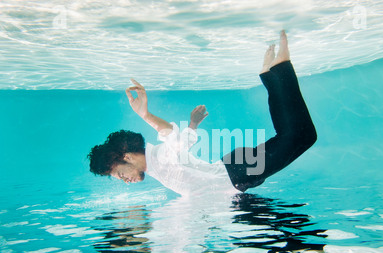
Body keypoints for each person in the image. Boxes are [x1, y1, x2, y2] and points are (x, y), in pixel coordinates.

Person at [87, 30, 317, 196]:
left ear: (126, 157)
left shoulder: (160, 160)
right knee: (293, 136)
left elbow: (172, 139)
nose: (125, 181)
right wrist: (192, 126)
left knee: (301, 136)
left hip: (237, 173)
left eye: (119, 174)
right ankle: (272, 73)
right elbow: (178, 141)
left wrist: (146, 115)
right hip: (234, 172)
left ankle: (279, 68)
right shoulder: (156, 161)